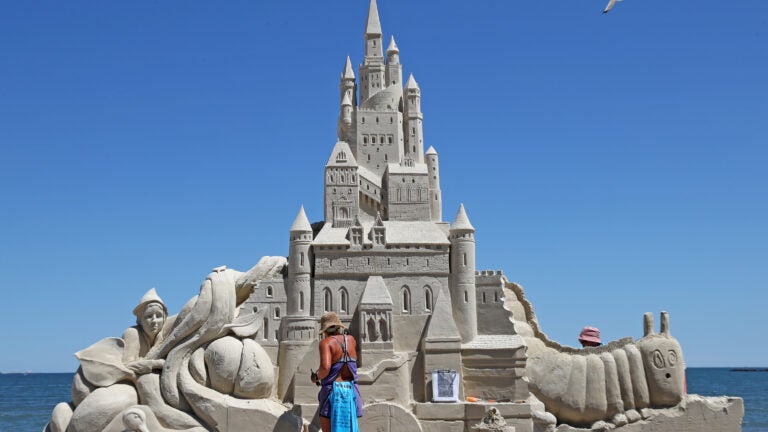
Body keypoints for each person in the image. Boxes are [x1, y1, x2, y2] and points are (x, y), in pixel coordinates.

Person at [311, 312, 362, 432]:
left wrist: (315, 377)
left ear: (325, 330)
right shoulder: (351, 340)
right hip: (351, 392)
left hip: (332, 393)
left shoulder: (326, 342)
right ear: (339, 327)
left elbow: (325, 368)